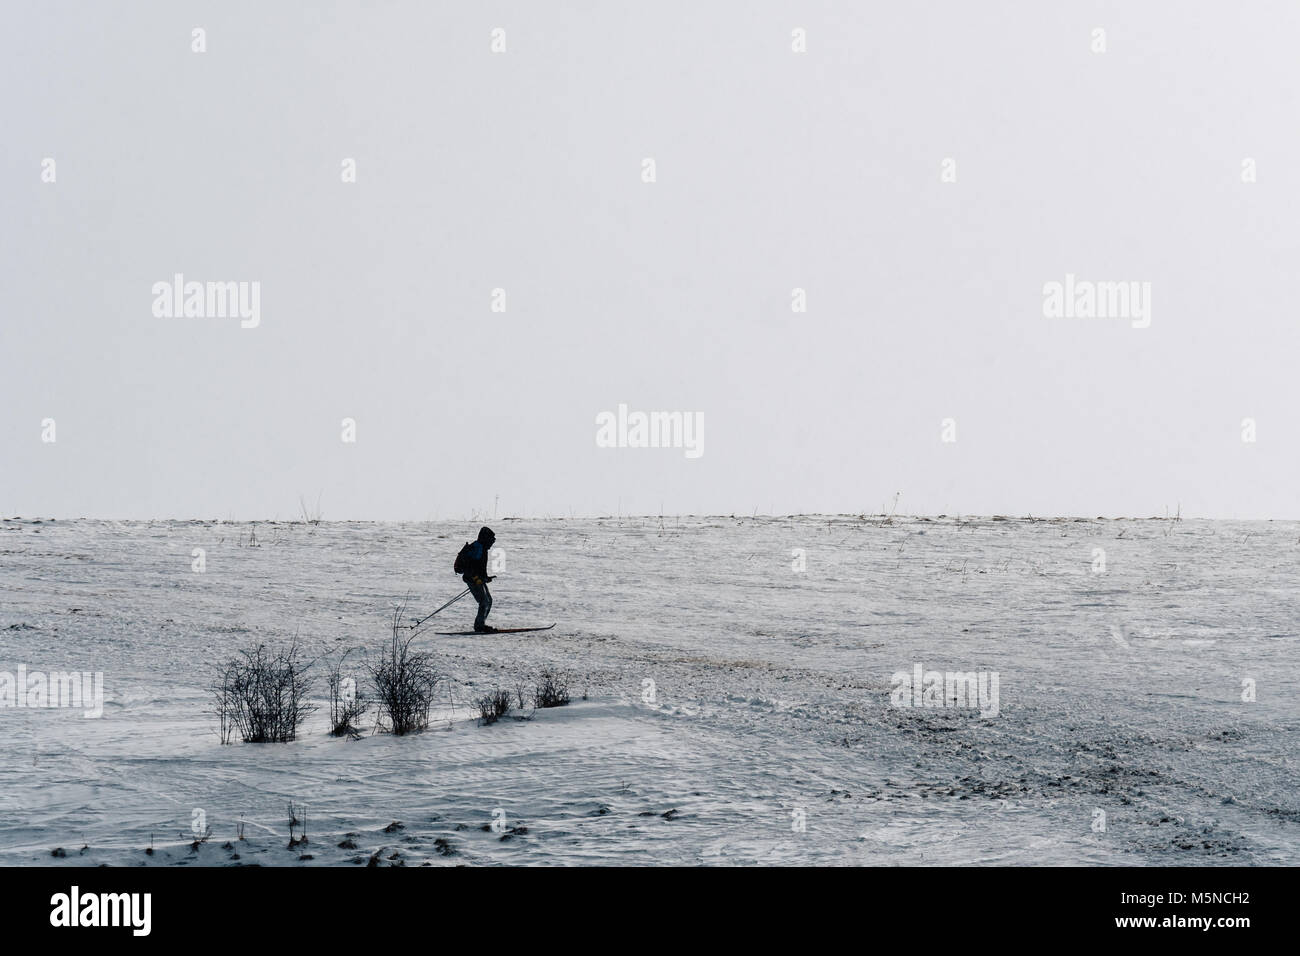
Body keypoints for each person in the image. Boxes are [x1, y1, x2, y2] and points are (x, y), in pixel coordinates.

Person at [461, 526, 497, 632]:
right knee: (484, 601)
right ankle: (479, 626)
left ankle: (481, 623)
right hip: (472, 579)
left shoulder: (482, 548)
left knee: (488, 601)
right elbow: (470, 568)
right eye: (491, 540)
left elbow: (479, 567)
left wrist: (485, 578)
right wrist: (477, 579)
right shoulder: (478, 548)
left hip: (477, 579)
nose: (491, 543)